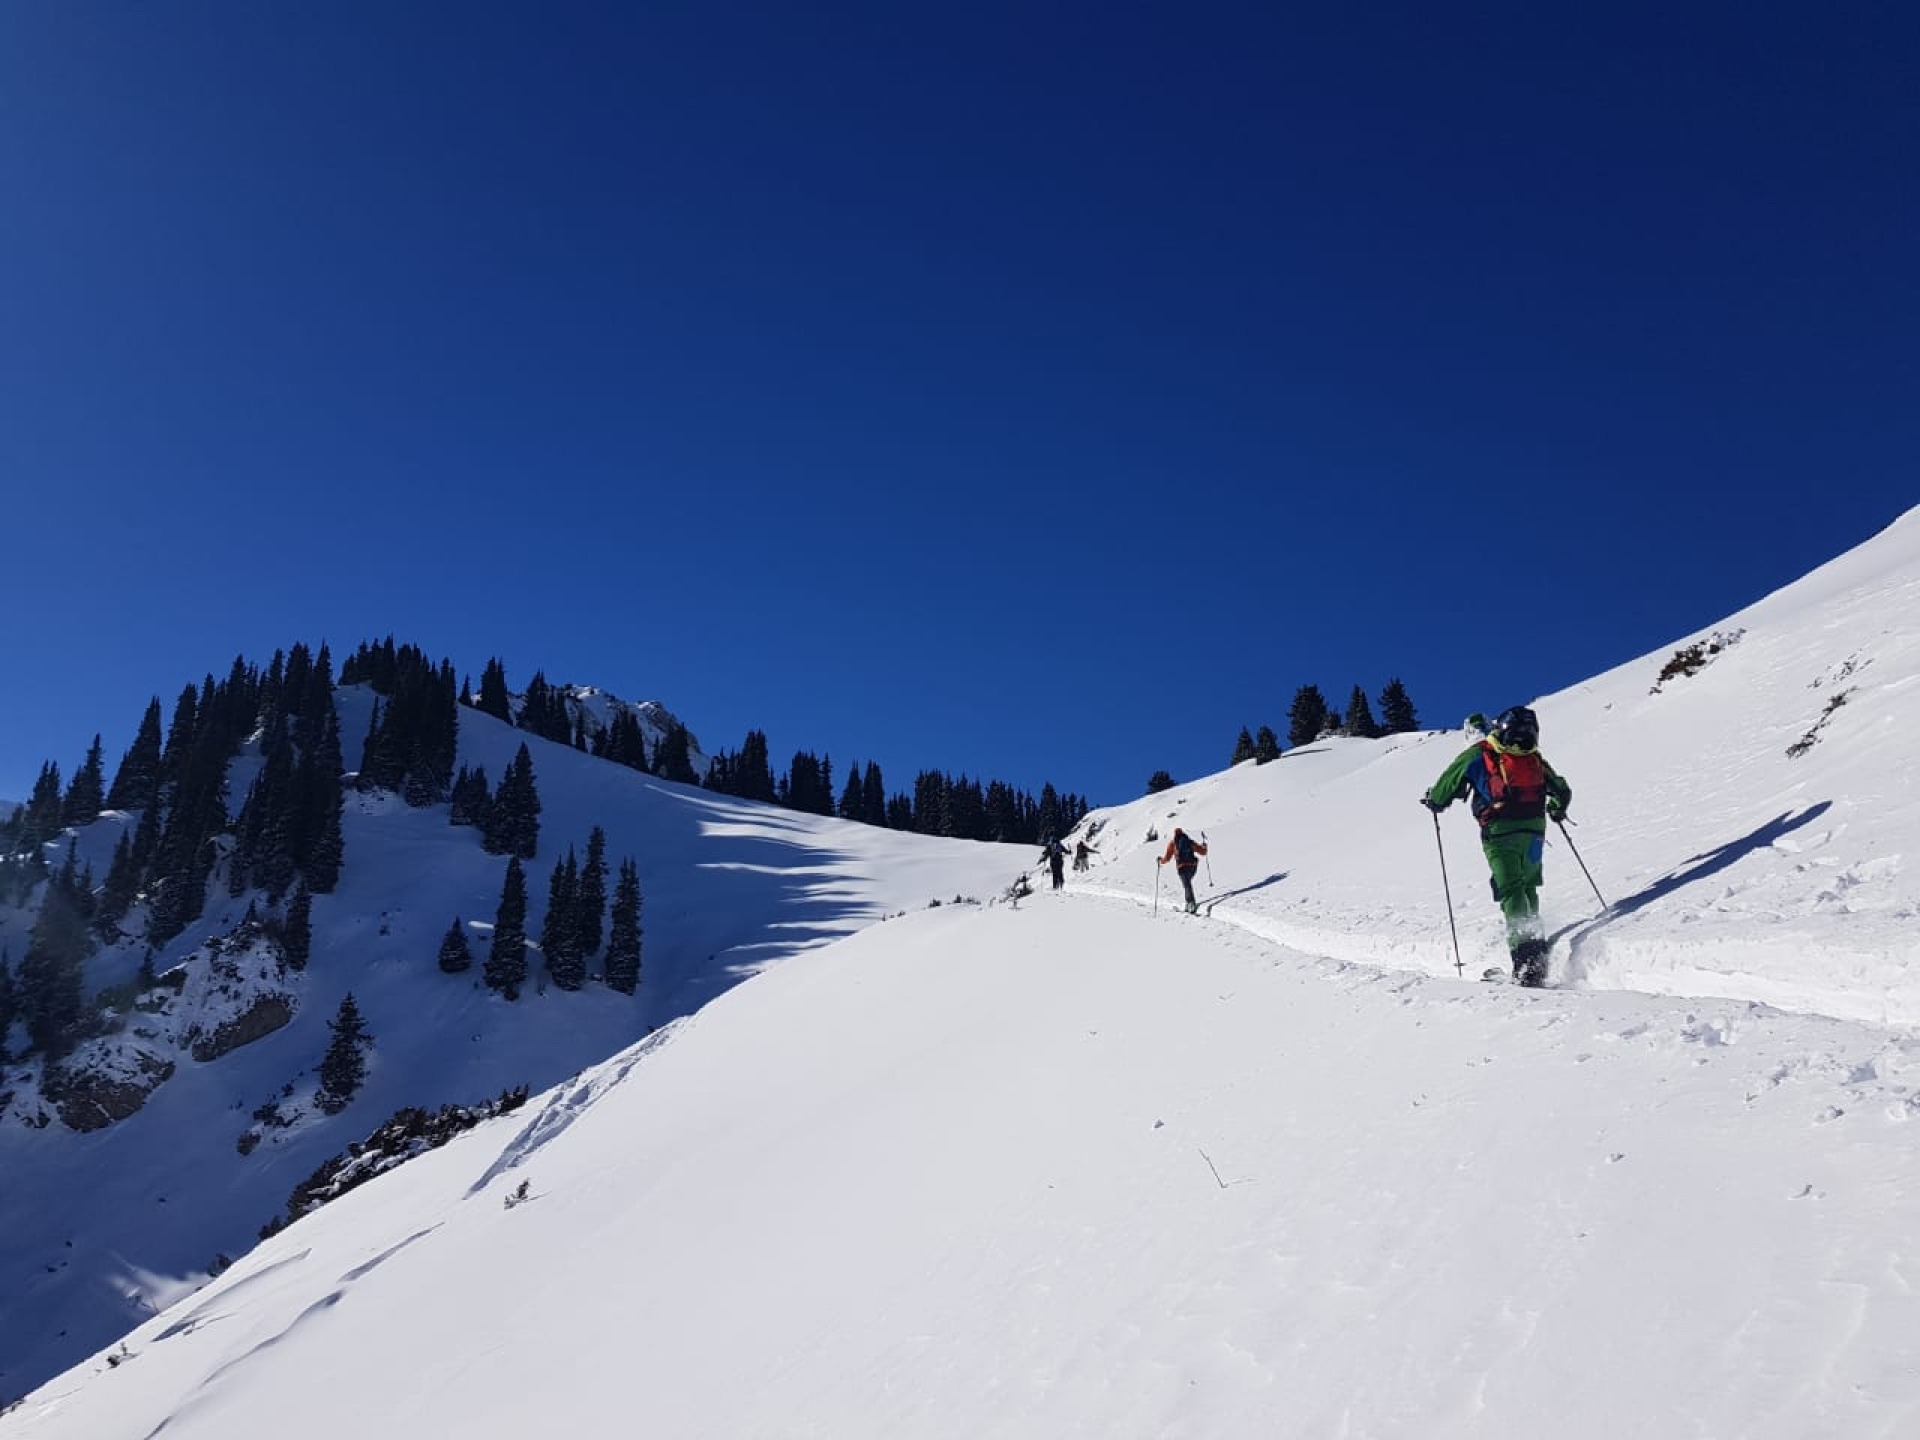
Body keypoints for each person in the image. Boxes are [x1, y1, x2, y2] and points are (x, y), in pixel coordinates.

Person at [1422, 705, 1572, 985]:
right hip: (1535, 831)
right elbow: (1561, 790)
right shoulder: (1531, 756)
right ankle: (1535, 944)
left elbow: (1445, 786)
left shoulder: (1479, 753)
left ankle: (1525, 956)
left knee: (1510, 888)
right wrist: (1556, 808)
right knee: (1527, 885)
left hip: (1499, 831)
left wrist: (1435, 801)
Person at [1157, 826, 1207, 913]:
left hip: (1182, 867)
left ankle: (1191, 904)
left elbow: (1167, 858)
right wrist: (1204, 847)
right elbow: (1203, 852)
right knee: (1187, 884)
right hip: (1193, 867)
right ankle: (1189, 903)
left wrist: (1161, 860)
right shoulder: (1189, 842)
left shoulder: (1173, 843)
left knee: (1187, 884)